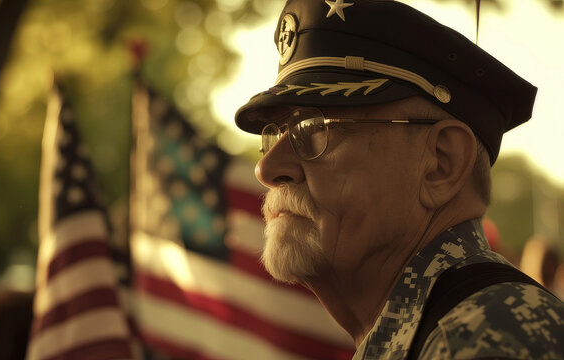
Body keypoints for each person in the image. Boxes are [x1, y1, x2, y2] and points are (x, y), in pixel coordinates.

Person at [234, 0, 564, 359]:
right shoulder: (439, 329)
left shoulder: (487, 336)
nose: (266, 169)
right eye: (277, 132)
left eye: (313, 129)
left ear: (441, 162)